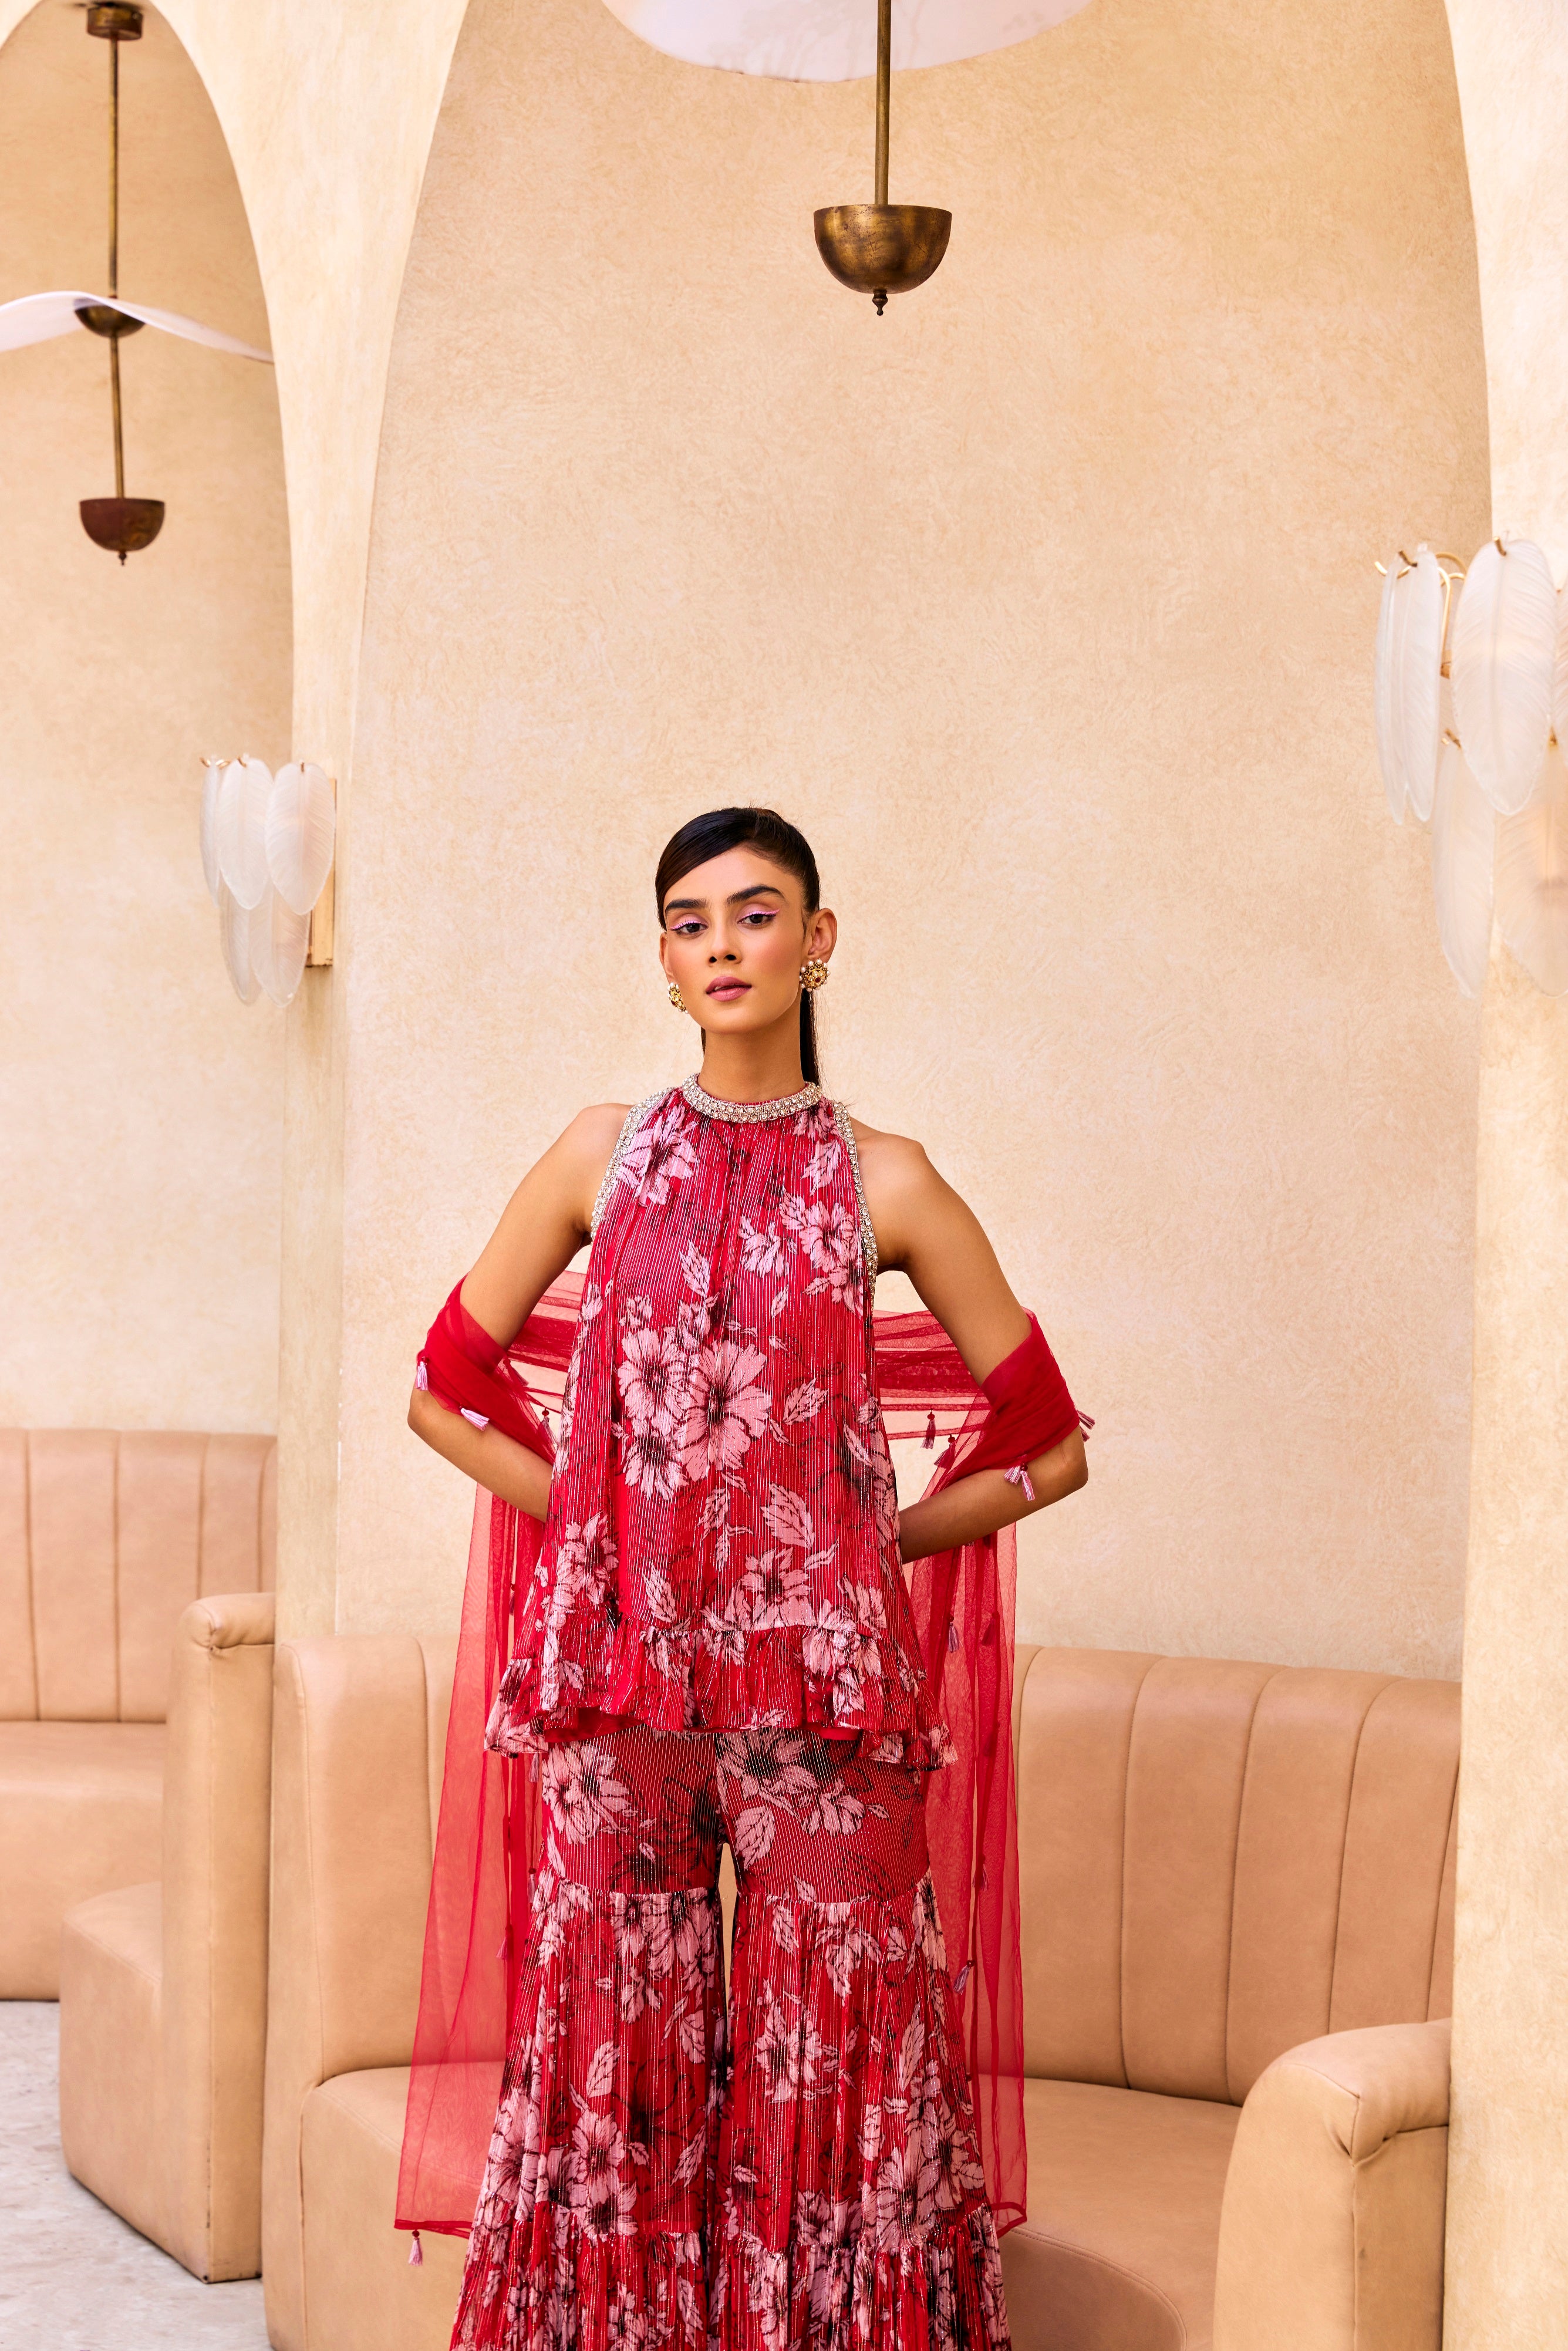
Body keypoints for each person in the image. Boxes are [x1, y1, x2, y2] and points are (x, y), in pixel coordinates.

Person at [404, 805, 1087, 2351]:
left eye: (756, 913)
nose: (722, 946)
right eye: (691, 922)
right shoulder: (600, 1155)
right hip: (624, 1694)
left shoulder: (890, 1182)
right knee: (614, 2065)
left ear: (817, 942)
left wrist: (866, 1543)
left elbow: (1049, 1445)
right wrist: (604, 1528)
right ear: (664, 962)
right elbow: (442, 1392)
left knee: (842, 2060)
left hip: (824, 1705)